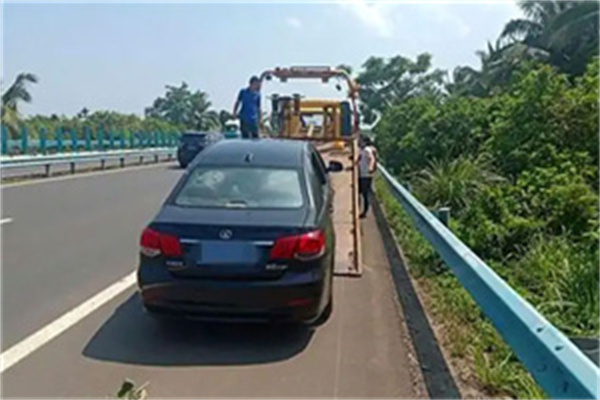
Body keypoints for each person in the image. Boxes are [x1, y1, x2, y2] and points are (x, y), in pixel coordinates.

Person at [357, 135, 377, 218]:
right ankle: (362, 210)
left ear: (364, 142)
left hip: (366, 175)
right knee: (362, 193)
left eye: (360, 141)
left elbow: (372, 158)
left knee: (364, 194)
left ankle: (364, 211)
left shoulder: (366, 150)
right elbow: (360, 159)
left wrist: (371, 167)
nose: (359, 142)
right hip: (363, 175)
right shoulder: (362, 150)